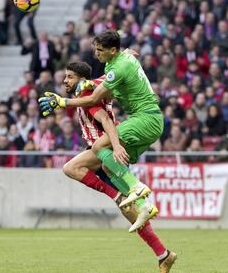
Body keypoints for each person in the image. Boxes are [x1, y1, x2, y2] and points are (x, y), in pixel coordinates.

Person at [39, 30, 163, 233]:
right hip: (148, 120)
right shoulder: (117, 61)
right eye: (95, 49)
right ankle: (144, 206)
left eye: (100, 50)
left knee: (97, 147)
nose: (96, 54)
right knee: (107, 168)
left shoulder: (119, 65)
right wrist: (90, 82)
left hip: (145, 118)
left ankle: (136, 187)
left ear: (113, 50)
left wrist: (62, 102)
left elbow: (94, 100)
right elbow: (110, 79)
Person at [61, 61, 177, 272]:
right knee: (131, 212)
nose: (65, 80)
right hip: (104, 157)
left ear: (81, 79)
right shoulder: (89, 92)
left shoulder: (88, 98)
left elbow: (105, 120)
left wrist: (114, 146)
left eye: (69, 76)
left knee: (70, 168)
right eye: (65, 76)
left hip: (101, 151)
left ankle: (119, 195)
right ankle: (163, 254)